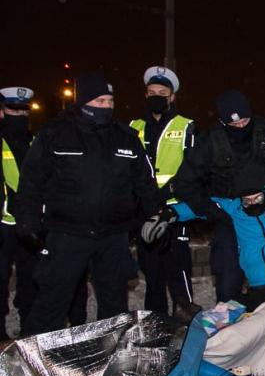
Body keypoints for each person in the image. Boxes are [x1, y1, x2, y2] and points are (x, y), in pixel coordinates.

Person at [15, 72, 169, 334]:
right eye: (99, 101)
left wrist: (158, 213)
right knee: (52, 301)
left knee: (114, 305)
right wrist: (27, 220)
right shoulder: (55, 133)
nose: (106, 107)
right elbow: (32, 181)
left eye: (110, 101)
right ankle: (36, 362)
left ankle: (110, 358)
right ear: (83, 102)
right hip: (67, 233)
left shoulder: (125, 136)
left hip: (113, 236)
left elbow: (145, 182)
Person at [173, 89, 265, 302]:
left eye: (245, 120)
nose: (241, 126)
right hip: (230, 217)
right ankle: (230, 325)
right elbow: (185, 184)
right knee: (228, 278)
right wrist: (212, 211)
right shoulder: (209, 142)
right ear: (223, 123)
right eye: (234, 125)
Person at [168, 165, 265, 316]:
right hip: (257, 283)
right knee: (241, 319)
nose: (253, 203)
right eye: (247, 200)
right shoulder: (236, 209)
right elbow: (201, 205)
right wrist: (170, 213)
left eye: (258, 198)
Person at [129, 66, 200, 322]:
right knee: (152, 277)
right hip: (144, 214)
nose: (157, 96)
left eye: (162, 92)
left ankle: (186, 328)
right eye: (151, 92)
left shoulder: (186, 126)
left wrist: (167, 194)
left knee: (179, 274)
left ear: (172, 97)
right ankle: (155, 330)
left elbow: (193, 170)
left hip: (173, 213)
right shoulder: (133, 126)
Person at [0, 87, 37, 338]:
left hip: (30, 224)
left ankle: (28, 329)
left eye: (23, 110)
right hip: (3, 224)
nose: (19, 114)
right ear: (2, 112)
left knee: (30, 280)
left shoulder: (35, 141)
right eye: (13, 109)